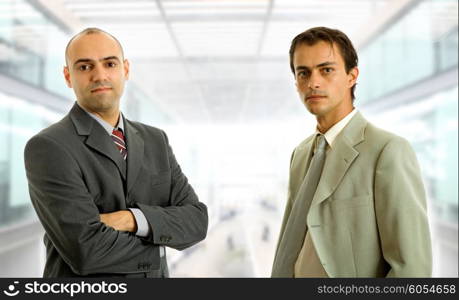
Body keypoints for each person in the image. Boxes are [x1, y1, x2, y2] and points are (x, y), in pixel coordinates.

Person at [24, 28, 208, 277]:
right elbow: (86, 250)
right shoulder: (49, 147)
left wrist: (130, 219)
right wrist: (161, 245)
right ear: (68, 77)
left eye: (109, 63)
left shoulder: (156, 140)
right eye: (85, 67)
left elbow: (197, 221)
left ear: (126, 69)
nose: (100, 75)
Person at [271, 27, 431, 277]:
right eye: (303, 73)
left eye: (326, 70)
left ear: (351, 76)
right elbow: (290, 241)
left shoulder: (387, 151)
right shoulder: (301, 154)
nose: (313, 82)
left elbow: (412, 269)